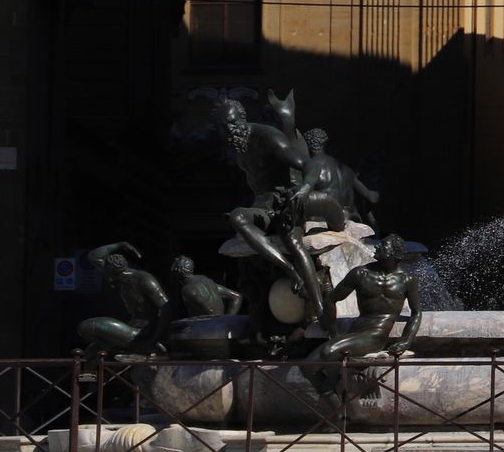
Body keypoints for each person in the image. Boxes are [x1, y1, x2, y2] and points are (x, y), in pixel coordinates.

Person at [215, 96, 322, 317]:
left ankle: (319, 308)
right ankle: (289, 270)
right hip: (263, 206)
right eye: (224, 128)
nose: (230, 131)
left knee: (292, 241)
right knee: (237, 217)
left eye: (233, 123)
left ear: (243, 118)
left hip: (285, 201)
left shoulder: (267, 137)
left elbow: (308, 164)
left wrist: (305, 189)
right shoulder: (240, 147)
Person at [308, 235, 422, 394]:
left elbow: (416, 313)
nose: (376, 247)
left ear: (393, 254)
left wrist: (405, 342)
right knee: (307, 365)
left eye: (383, 245)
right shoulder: (361, 273)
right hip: (355, 333)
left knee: (327, 353)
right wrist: (333, 333)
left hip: (376, 336)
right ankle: (338, 412)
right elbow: (330, 300)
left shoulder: (408, 280)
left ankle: (336, 402)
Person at [78, 242, 171, 355]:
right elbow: (94, 256)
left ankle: (123, 347)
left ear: (110, 273)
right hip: (130, 327)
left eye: (105, 272)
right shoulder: (118, 277)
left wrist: (153, 340)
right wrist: (120, 245)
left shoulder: (144, 279)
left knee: (87, 327)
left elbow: (166, 308)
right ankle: (110, 351)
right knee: (92, 350)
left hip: (141, 333)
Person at [169, 256, 243, 318]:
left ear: (176, 271)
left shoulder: (188, 290)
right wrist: (226, 320)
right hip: (217, 324)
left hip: (206, 330)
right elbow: (237, 297)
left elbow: (210, 311)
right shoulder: (205, 280)